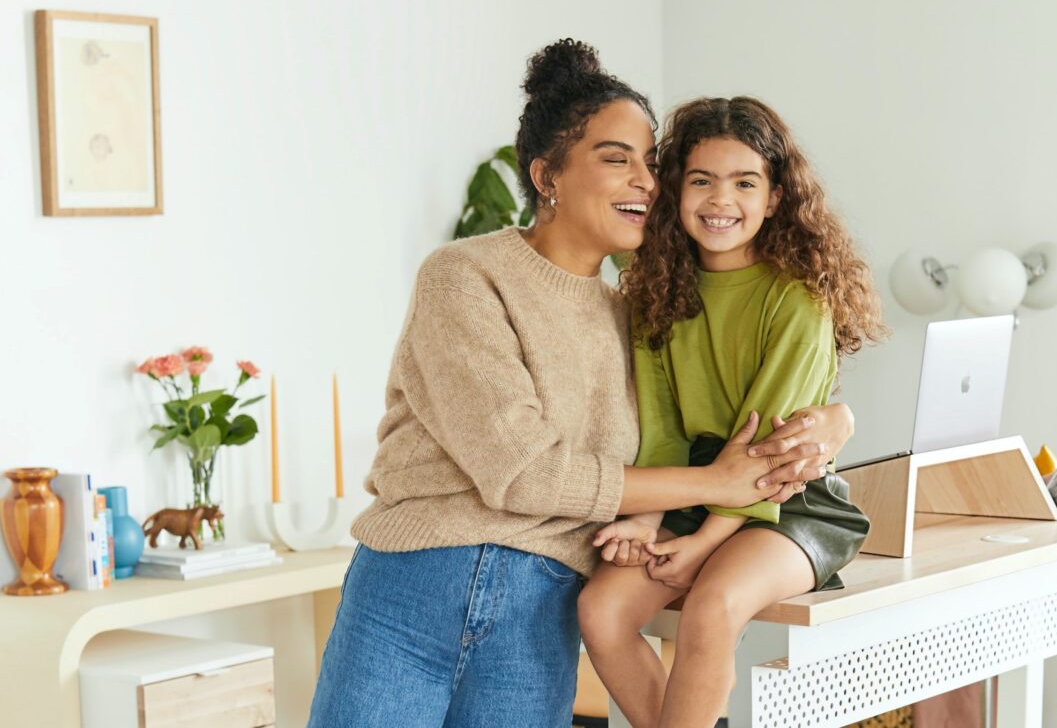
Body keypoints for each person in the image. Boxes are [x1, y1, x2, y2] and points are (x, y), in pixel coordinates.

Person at [306, 41, 852, 728]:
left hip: (541, 605)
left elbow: (688, 425)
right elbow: (523, 471)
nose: (646, 182)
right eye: (616, 158)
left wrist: (837, 418)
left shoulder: (636, 312)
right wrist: (715, 484)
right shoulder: (464, 276)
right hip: (416, 589)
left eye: (652, 163)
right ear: (547, 175)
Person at [578, 96, 887, 728]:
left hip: (788, 505)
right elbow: (660, 430)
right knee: (600, 612)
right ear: (675, 189)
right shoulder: (654, 293)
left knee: (713, 604)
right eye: (701, 181)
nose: (721, 201)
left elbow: (771, 456)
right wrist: (652, 519)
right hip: (695, 490)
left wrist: (701, 545)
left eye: (745, 182)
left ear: (775, 196)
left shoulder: (799, 300)